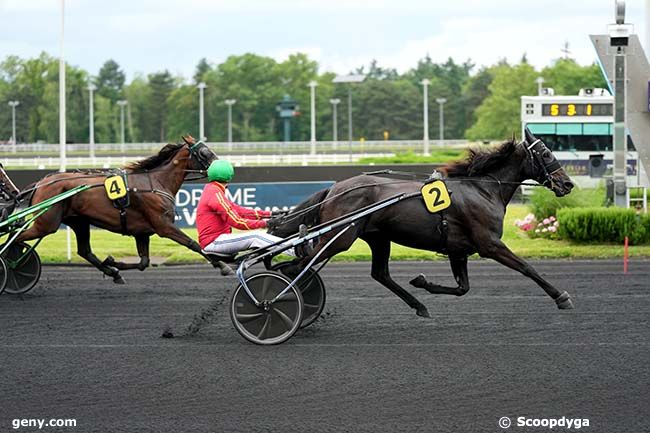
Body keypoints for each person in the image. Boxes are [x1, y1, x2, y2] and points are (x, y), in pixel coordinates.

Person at [196, 160, 305, 258]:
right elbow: (237, 222)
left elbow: (240, 211)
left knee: (261, 236)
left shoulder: (213, 190)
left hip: (217, 240)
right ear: (229, 175)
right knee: (255, 236)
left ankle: (300, 243)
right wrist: (267, 223)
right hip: (214, 242)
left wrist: (271, 214)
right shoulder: (215, 194)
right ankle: (294, 250)